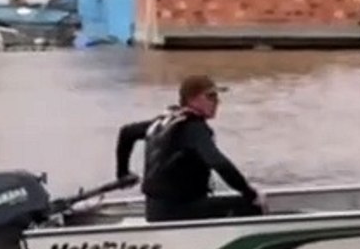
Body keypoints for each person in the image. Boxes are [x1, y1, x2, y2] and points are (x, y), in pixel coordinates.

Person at [114, 74, 265, 222]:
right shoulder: (193, 127)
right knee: (251, 205)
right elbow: (219, 163)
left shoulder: (165, 122)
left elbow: (127, 133)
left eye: (217, 97)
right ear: (192, 99)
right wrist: (249, 193)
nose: (217, 102)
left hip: (155, 211)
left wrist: (123, 173)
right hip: (179, 213)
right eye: (210, 96)